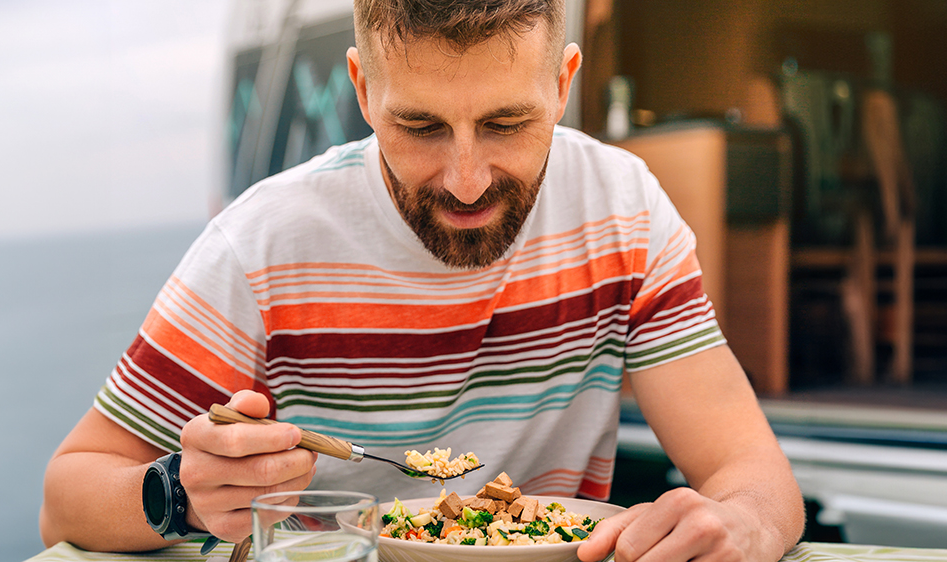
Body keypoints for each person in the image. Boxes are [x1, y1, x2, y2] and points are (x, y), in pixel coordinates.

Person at [40, 0, 806, 559]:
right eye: (421, 127)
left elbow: (750, 470)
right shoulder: (265, 243)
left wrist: (746, 521)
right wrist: (181, 493)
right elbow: (66, 497)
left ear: (564, 85)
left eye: (506, 124)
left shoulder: (624, 208)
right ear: (364, 92)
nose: (467, 182)